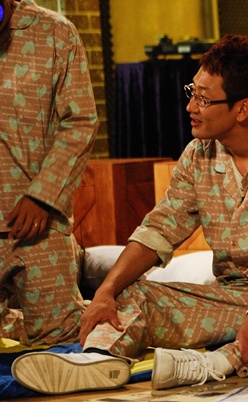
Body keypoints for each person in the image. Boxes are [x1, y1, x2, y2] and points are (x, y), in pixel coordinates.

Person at [11, 34, 248, 395]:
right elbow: (158, 230)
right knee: (132, 292)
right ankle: (97, 360)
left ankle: (217, 364)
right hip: (234, 298)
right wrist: (106, 291)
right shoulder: (197, 155)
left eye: (203, 99)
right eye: (192, 92)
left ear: (242, 109)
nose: (191, 106)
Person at [0, 0, 98, 346]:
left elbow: (80, 122)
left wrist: (43, 196)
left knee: (59, 342)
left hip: (38, 227)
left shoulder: (55, 33)